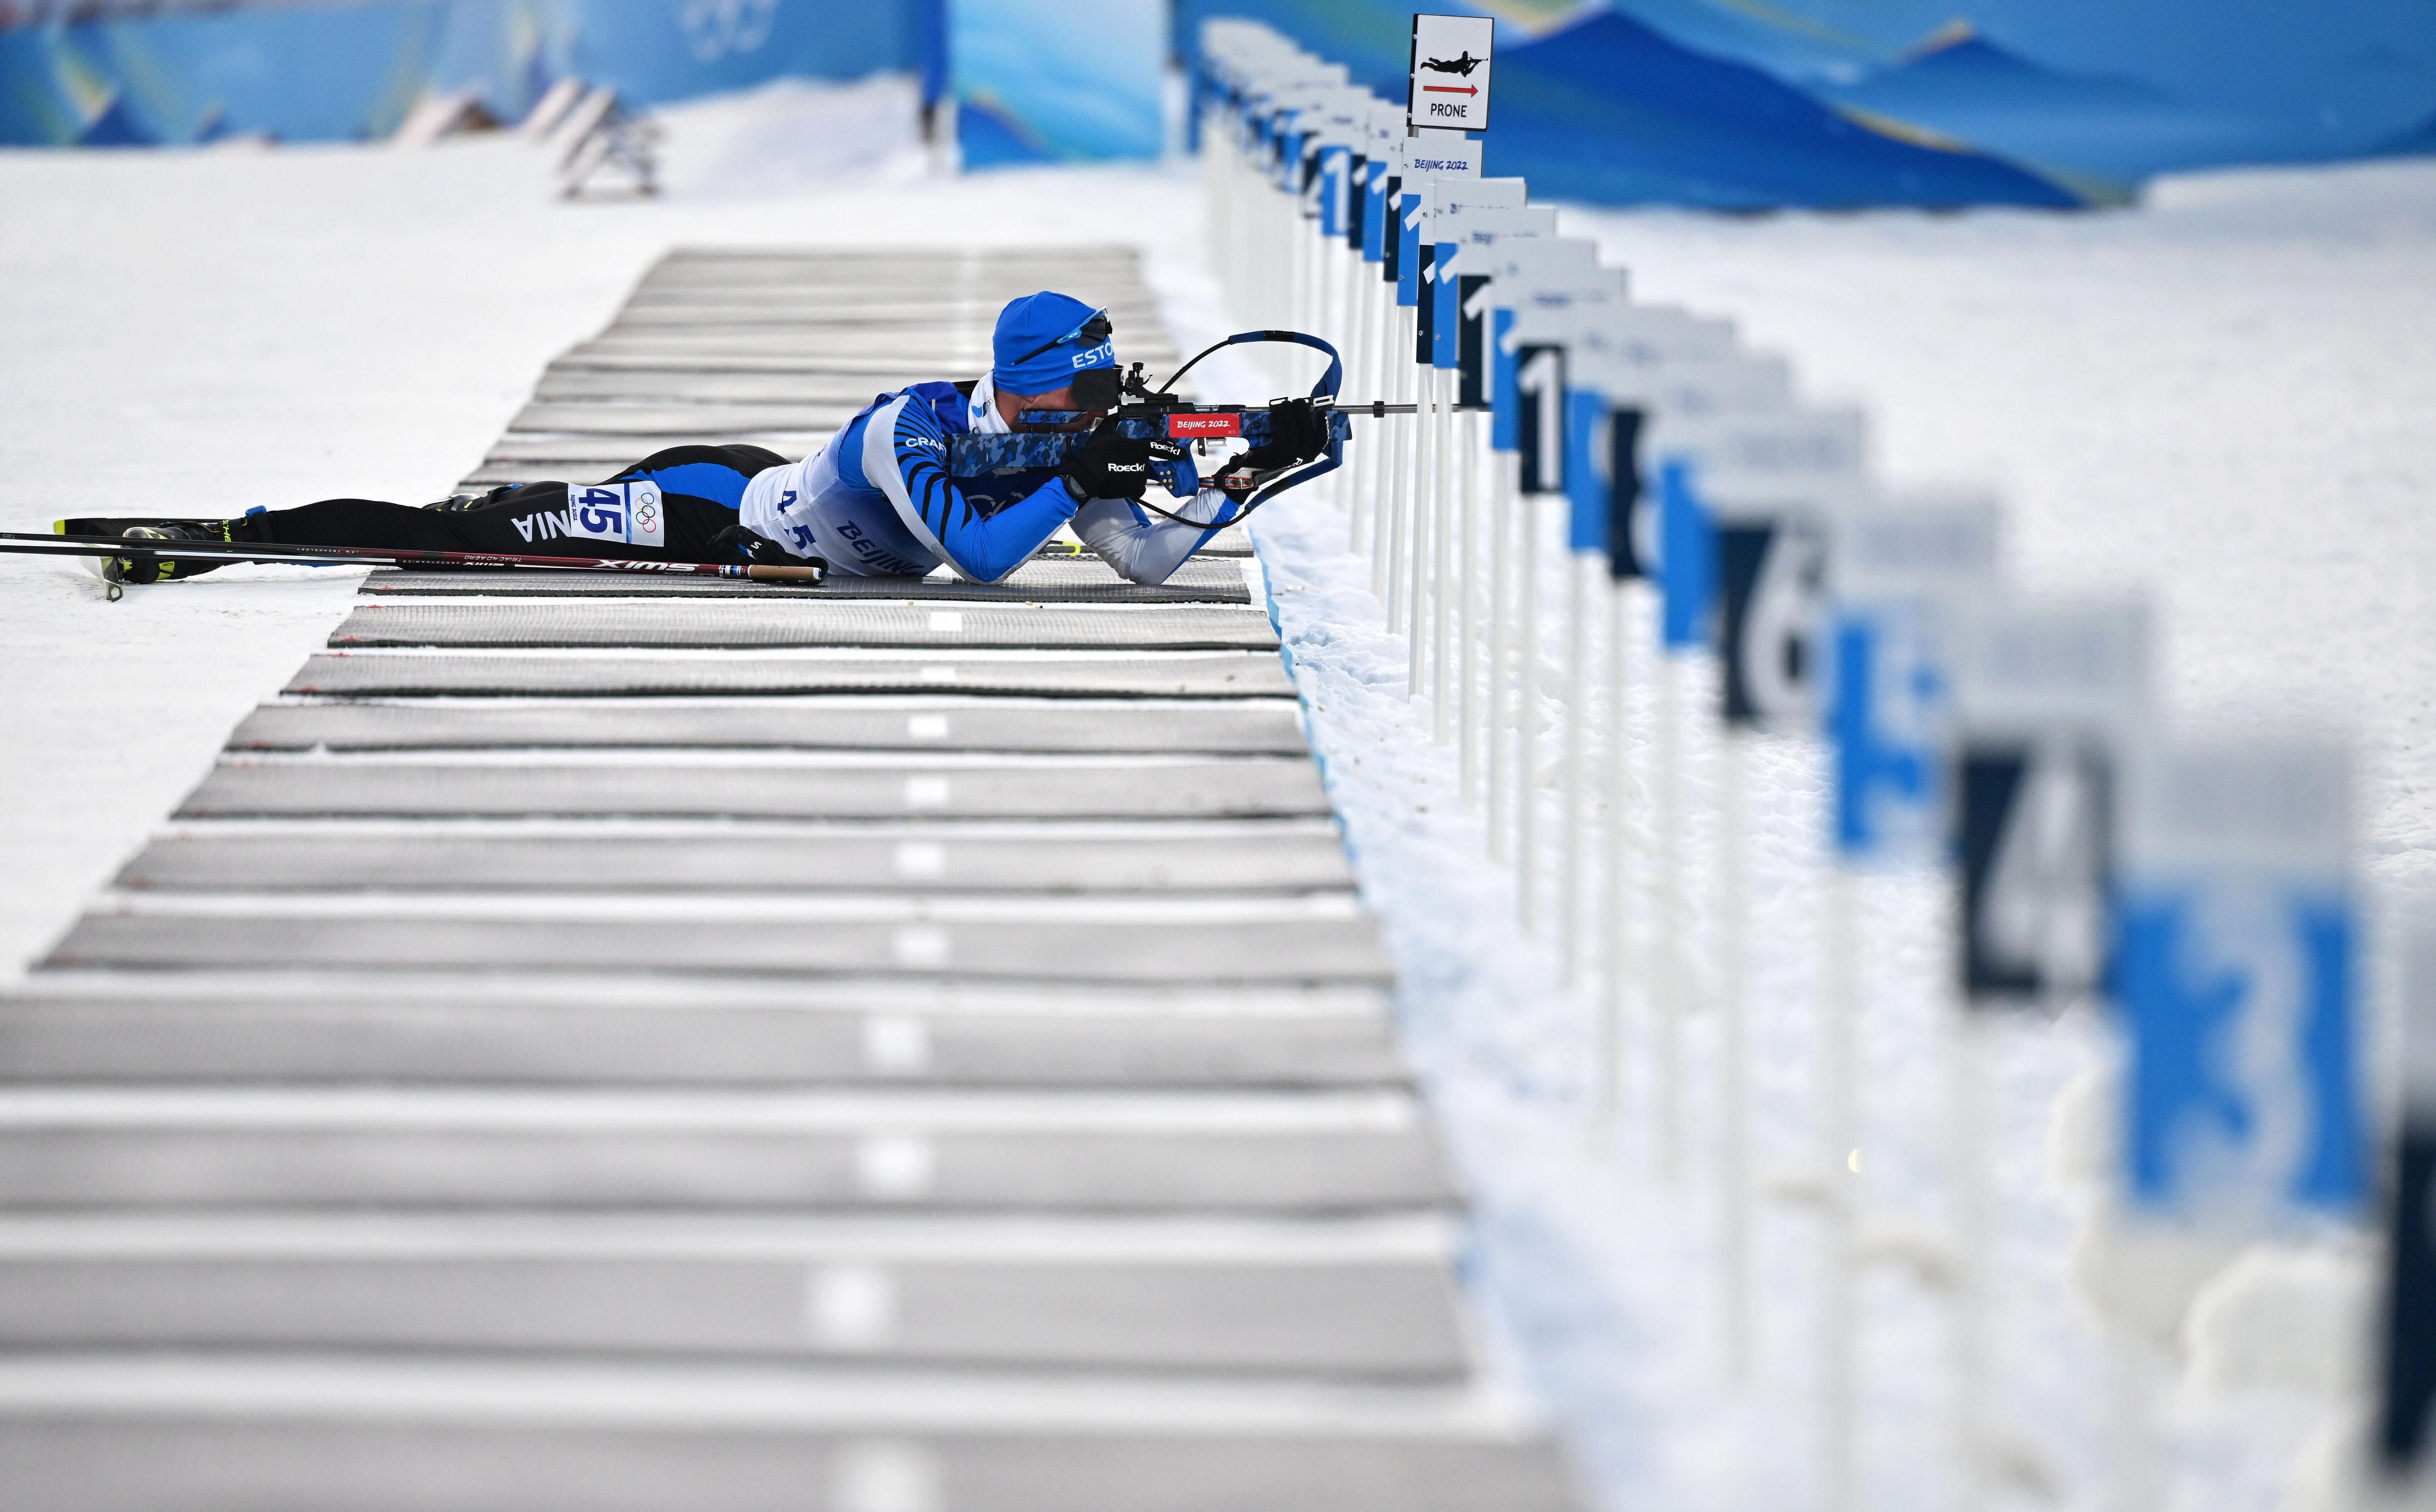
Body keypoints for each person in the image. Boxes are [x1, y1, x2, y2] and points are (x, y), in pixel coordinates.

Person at [62, 291, 1331, 588]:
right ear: (1043, 385)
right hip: (714, 512)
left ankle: (517, 496)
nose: (1115, 411)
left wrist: (1243, 474)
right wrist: (1072, 474)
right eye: (1097, 393)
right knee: (464, 542)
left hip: (752, 489)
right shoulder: (914, 428)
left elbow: (1147, 560)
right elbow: (990, 557)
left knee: (499, 518)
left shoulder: (1060, 441)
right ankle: (222, 537)